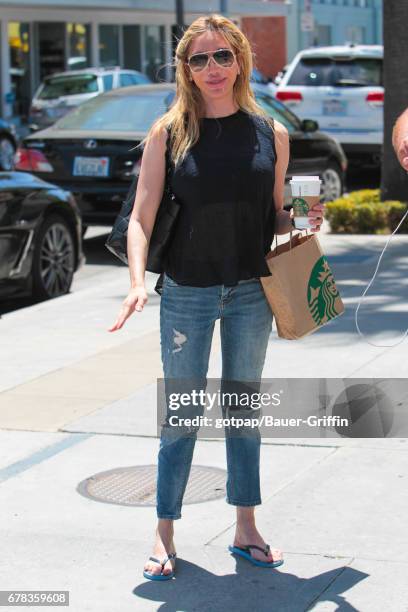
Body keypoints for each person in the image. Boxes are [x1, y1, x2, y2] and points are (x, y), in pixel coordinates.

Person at [108, 14, 325, 580]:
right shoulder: (169, 133)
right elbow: (141, 216)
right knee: (181, 416)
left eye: (221, 56)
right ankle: (164, 532)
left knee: (243, 412)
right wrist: (136, 283)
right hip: (186, 293)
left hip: (251, 291)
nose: (211, 68)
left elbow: (276, 217)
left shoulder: (270, 133)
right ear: (185, 68)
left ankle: (245, 527)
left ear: (241, 60)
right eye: (198, 58)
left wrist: (303, 219)